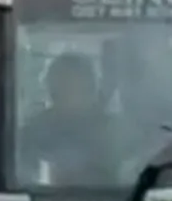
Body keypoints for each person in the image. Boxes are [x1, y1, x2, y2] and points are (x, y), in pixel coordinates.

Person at [18, 53, 117, 184]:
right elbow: (24, 178)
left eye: (81, 89)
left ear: (92, 90)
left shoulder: (115, 133)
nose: (72, 95)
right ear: (51, 91)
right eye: (65, 88)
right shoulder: (31, 134)